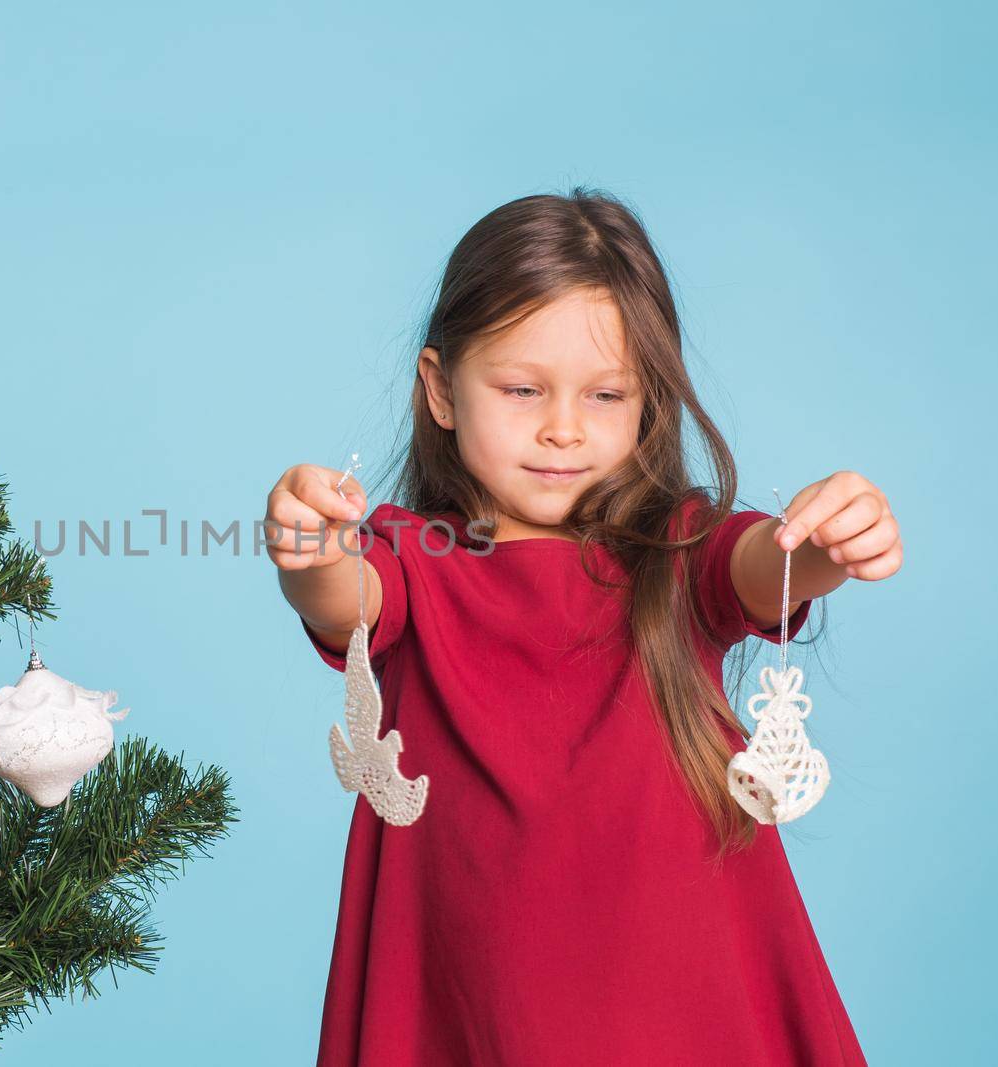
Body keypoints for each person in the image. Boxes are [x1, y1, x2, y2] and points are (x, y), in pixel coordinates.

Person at [265, 189, 899, 1065]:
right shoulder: (413, 556)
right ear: (442, 390)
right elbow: (345, 600)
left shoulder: (679, 549)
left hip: (686, 1003)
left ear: (648, 403)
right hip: (474, 1004)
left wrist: (827, 541)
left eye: (606, 394)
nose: (563, 428)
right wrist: (307, 550)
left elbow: (760, 564)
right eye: (522, 389)